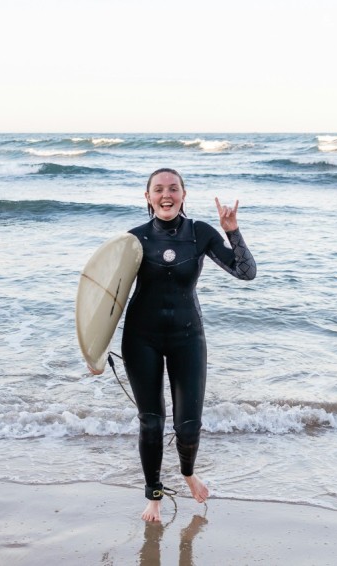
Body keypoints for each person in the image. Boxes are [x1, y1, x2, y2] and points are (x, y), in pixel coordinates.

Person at [121, 168, 256, 522]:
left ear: (184, 194)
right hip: (141, 338)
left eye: (173, 188)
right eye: (158, 189)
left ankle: (187, 472)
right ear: (147, 196)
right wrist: (93, 350)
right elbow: (109, 298)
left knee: (188, 425)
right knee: (151, 422)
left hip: (187, 336)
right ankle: (153, 495)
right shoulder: (132, 240)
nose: (166, 195)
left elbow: (246, 272)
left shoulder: (200, 233)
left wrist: (232, 231)